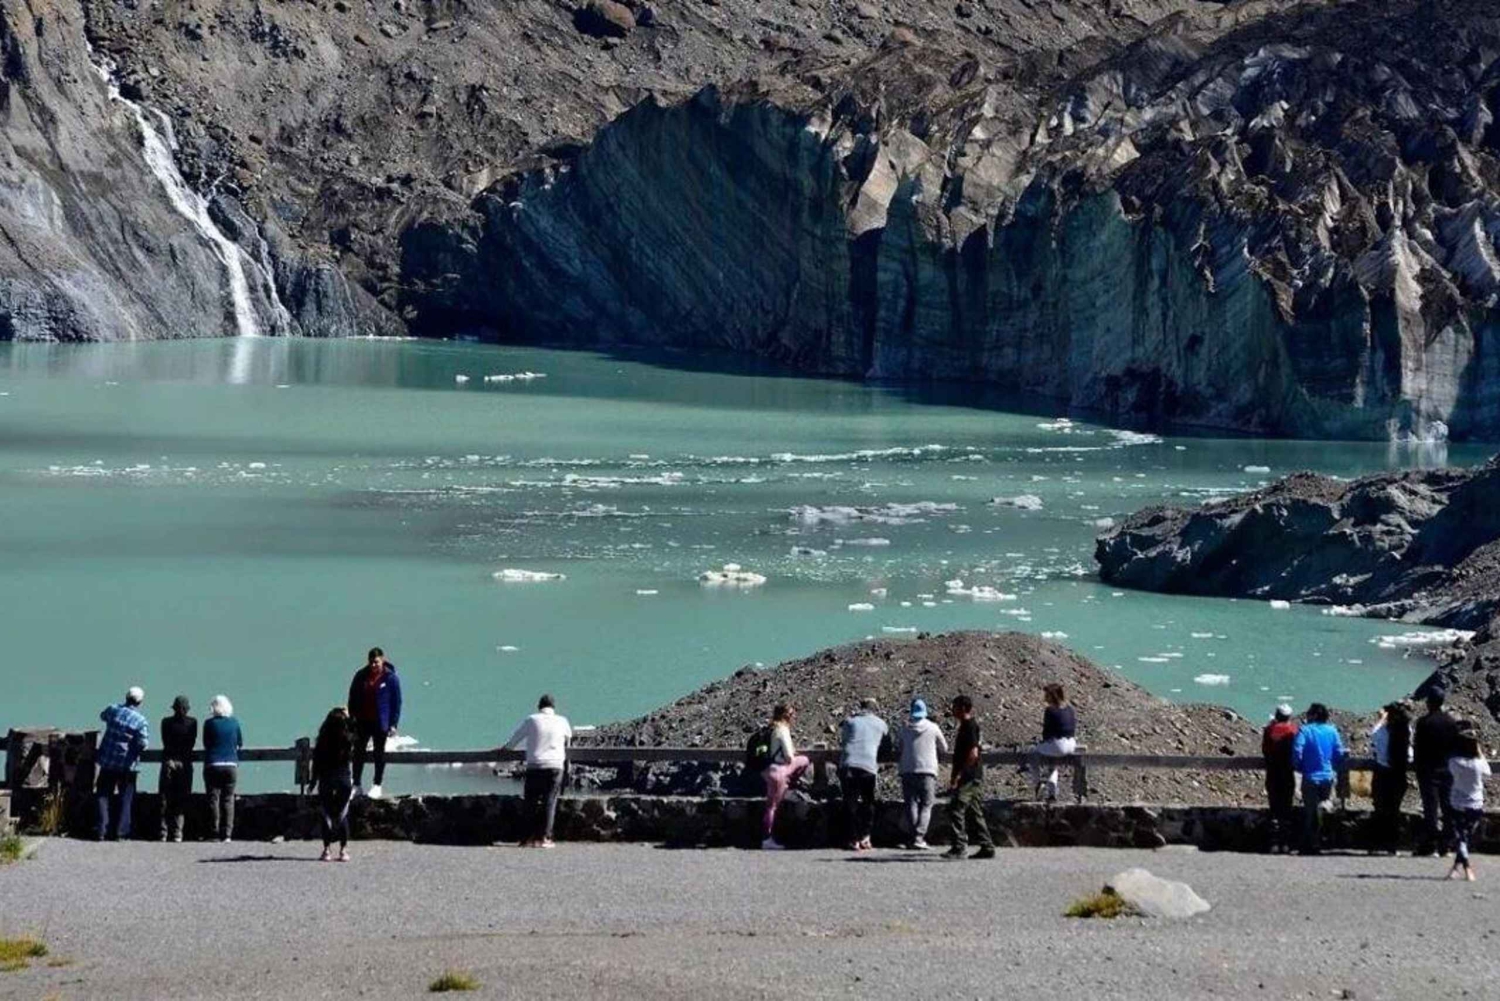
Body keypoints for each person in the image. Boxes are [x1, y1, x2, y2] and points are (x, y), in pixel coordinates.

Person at [502, 694, 573, 848]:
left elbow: (515, 739)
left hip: (535, 765)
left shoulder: (532, 720)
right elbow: (569, 736)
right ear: (553, 708)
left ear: (539, 707)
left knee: (530, 803)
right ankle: (545, 838)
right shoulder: (562, 721)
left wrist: (505, 749)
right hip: (555, 765)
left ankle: (526, 838)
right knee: (549, 802)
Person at [95, 687, 150, 841]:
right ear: (140, 702)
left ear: (126, 697)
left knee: (103, 794)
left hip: (107, 761)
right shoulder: (140, 721)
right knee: (125, 798)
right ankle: (121, 832)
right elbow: (143, 743)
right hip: (127, 765)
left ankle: (101, 830)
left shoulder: (113, 710)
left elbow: (102, 716)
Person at [347, 647, 402, 800]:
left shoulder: (391, 678)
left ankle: (377, 784)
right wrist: (352, 718)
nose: (373, 665)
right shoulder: (360, 676)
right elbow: (352, 698)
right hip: (362, 721)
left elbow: (396, 703)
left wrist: (393, 724)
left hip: (381, 723)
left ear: (382, 661)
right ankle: (356, 785)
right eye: (371, 662)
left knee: (379, 753)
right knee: (358, 753)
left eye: (376, 662)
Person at [944, 695, 994, 860]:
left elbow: (973, 753)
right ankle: (987, 846)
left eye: (955, 707)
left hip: (969, 776)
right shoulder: (967, 726)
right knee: (975, 812)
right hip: (973, 775)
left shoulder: (969, 726)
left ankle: (959, 847)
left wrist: (960, 774)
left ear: (963, 708)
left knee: (956, 808)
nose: (952, 710)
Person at [1292, 703, 1346, 855]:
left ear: (1313, 715)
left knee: (1310, 813)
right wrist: (1333, 766)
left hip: (1310, 777)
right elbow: (1339, 752)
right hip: (1327, 776)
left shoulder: (1305, 730)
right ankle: (1323, 840)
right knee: (1321, 810)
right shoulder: (1332, 730)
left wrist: (1299, 766)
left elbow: (1297, 750)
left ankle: (1311, 844)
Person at [1413, 690, 1460, 856]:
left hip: (1428, 770)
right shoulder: (1451, 722)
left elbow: (1418, 749)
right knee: (1448, 807)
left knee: (1430, 808)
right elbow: (1456, 748)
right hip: (1447, 770)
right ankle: (1446, 843)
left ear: (1429, 702)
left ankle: (1429, 843)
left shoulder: (1423, 723)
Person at [838, 698, 889, 851]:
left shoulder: (849, 721)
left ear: (860, 707)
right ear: (875, 709)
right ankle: (866, 837)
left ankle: (852, 839)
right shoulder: (881, 724)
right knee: (868, 802)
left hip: (848, 764)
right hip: (868, 765)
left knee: (850, 803)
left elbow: (844, 741)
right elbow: (887, 746)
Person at [898, 698, 948, 850]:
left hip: (907, 770)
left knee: (911, 804)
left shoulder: (904, 728)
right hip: (928, 770)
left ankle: (913, 837)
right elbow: (944, 748)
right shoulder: (933, 728)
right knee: (927, 804)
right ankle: (919, 837)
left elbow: (898, 746)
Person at [760, 703, 810, 851]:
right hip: (779, 771)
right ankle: (767, 839)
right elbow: (788, 756)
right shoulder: (783, 729)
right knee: (804, 760)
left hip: (767, 770)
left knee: (770, 806)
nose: (793, 716)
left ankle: (766, 838)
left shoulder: (770, 729)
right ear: (785, 715)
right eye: (791, 714)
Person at [310, 707, 356, 862]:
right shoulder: (347, 740)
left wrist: (312, 782)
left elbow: (316, 764)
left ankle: (327, 850)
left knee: (327, 815)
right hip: (343, 780)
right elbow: (356, 728)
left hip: (326, 780)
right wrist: (348, 716)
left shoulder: (322, 741)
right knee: (342, 814)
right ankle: (343, 850)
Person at [1446, 725, 1490, 882]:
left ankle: (1460, 868)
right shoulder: (1479, 763)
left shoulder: (1454, 762)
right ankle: (1463, 868)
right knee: (1465, 837)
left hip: (1457, 802)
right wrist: (1478, 750)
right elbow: (1488, 771)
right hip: (1475, 804)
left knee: (1461, 837)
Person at [1369, 701, 1412, 855]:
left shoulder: (1381, 731)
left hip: (1382, 773)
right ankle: (1391, 846)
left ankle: (1374, 845)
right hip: (1398, 774)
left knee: (1379, 809)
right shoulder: (1405, 730)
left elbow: (1373, 735)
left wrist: (1381, 719)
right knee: (1394, 811)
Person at [202, 695, 242, 843]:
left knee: (213, 799)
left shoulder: (209, 723)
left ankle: (214, 832)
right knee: (228, 799)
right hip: (231, 764)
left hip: (213, 764)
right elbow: (240, 742)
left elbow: (206, 743)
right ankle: (227, 834)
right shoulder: (234, 722)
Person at [1261, 704, 1300, 853]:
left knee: (1275, 808)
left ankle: (1274, 843)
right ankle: (1287, 843)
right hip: (1288, 773)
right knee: (1287, 808)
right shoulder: (1294, 730)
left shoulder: (1269, 730)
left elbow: (1265, 750)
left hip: (1273, 773)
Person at [158, 696, 198, 842]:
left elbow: (164, 740)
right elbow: (192, 741)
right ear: (187, 709)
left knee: (165, 797)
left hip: (169, 760)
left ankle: (163, 832)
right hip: (185, 762)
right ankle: (178, 832)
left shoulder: (165, 722)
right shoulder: (192, 722)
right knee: (181, 797)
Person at [1029, 683, 1077, 802]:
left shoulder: (1050, 710)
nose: (1044, 697)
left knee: (1032, 754)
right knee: (1053, 764)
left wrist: (1044, 742)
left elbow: (1047, 732)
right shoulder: (1069, 708)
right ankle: (1052, 794)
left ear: (1052, 696)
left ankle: (1037, 783)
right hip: (1071, 744)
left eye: (1047, 694)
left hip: (1058, 745)